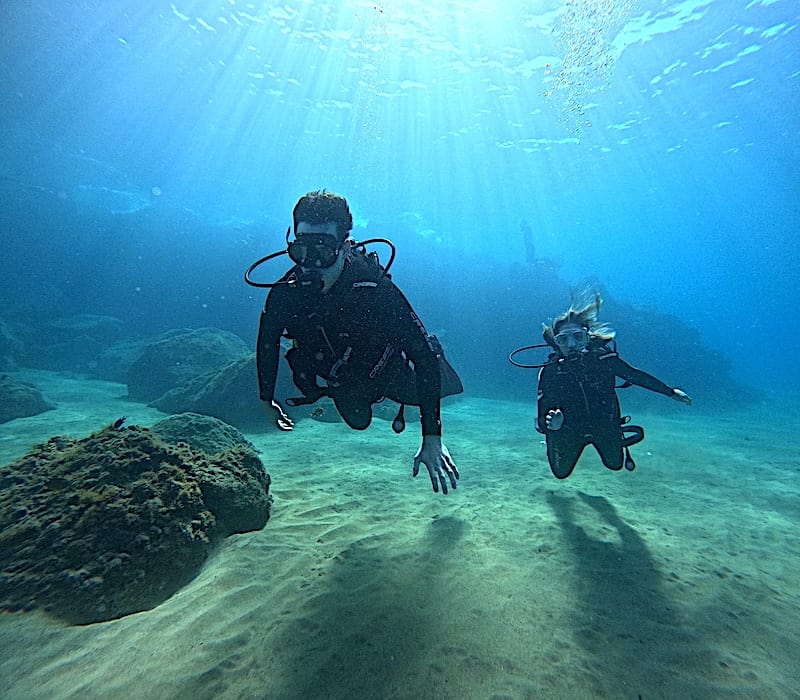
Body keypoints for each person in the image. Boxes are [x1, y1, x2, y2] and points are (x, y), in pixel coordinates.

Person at [255, 190, 463, 494]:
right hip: (342, 374)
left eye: (323, 251)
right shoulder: (286, 293)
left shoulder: (375, 290)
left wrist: (432, 438)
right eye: (301, 250)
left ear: (343, 247)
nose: (310, 264)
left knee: (428, 387)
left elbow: (422, 357)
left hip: (388, 369)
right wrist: (265, 399)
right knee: (357, 420)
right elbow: (268, 341)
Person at [536, 291, 691, 479]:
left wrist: (671, 392)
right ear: (556, 343)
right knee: (560, 473)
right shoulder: (551, 371)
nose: (571, 344)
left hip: (604, 425)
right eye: (563, 339)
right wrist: (553, 427)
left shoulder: (604, 360)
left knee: (615, 464)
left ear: (588, 337)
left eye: (578, 337)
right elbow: (543, 412)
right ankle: (560, 440)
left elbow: (634, 376)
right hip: (569, 428)